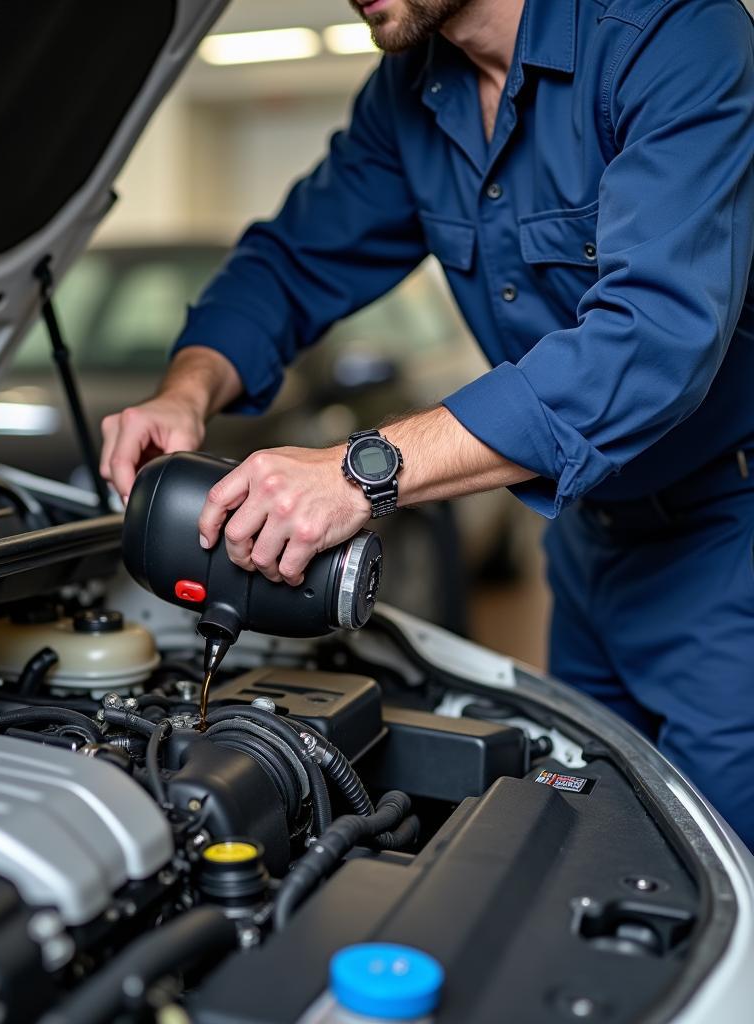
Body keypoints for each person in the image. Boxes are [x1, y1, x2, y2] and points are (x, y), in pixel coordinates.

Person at [99, 0, 754, 848]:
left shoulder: (673, 36)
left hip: (730, 534)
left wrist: (358, 471)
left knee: (722, 861)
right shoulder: (413, 92)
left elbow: (652, 338)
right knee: (601, 838)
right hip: (590, 542)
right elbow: (291, 263)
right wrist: (188, 389)